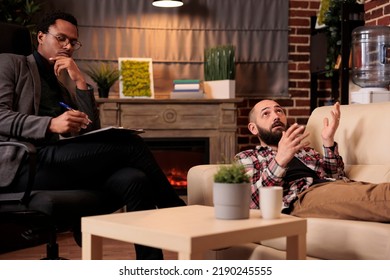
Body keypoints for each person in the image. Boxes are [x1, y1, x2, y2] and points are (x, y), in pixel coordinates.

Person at [0, 11, 186, 259]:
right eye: (61, 38)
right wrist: (50, 124)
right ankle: (177, 213)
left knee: (135, 179)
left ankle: (150, 268)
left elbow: (90, 129)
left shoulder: (61, 78)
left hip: (59, 159)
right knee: (130, 144)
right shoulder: (11, 63)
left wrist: (78, 80)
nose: (68, 46)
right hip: (25, 164)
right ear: (41, 37)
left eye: (73, 42)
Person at [235, 99, 390, 222]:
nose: (276, 116)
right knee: (381, 196)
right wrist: (280, 160)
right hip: (301, 197)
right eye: (266, 114)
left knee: (380, 193)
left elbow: (336, 176)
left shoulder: (304, 150)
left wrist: (328, 141)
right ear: (253, 128)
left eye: (279, 111)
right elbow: (254, 201)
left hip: (334, 186)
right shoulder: (247, 158)